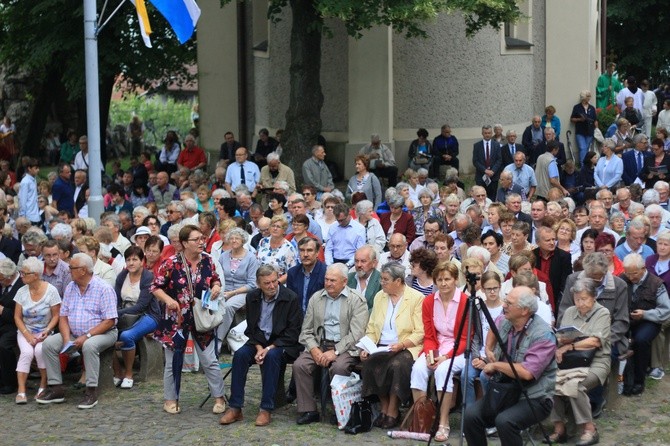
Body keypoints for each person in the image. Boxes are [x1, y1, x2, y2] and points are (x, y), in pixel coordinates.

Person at [463, 286, 557, 446]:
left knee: (505, 421)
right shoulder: (507, 320)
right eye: (505, 300)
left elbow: (527, 372)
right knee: (471, 416)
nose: (504, 305)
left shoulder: (543, 336)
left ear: (524, 310)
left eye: (509, 302)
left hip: (536, 396)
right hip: (507, 391)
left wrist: (496, 365)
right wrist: (488, 348)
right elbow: (494, 326)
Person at [151, 225, 226, 415]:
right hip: (176, 318)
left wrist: (216, 287)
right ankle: (170, 399)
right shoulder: (170, 263)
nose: (201, 242)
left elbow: (215, 279)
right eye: (196, 239)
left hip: (201, 316)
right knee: (173, 361)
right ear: (184, 243)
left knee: (209, 359)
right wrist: (168, 300)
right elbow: (156, 287)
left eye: (202, 238)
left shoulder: (208, 261)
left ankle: (219, 397)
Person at [219, 265, 302, 427]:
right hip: (258, 342)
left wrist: (269, 348)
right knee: (240, 355)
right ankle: (235, 407)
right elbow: (251, 328)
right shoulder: (252, 297)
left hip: (281, 343)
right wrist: (258, 348)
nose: (272, 286)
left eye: (274, 281)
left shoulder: (290, 297)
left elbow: (293, 332)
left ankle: (266, 408)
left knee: (271, 357)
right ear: (258, 284)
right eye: (267, 283)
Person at [37, 253, 118, 409]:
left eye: (71, 267)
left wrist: (86, 336)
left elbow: (109, 321)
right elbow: (63, 316)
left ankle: (91, 390)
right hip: (74, 333)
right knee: (48, 344)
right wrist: (67, 339)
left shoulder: (103, 289)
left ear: (82, 270)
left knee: (89, 346)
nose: (68, 270)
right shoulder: (70, 288)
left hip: (103, 333)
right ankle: (56, 387)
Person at [293, 263, 369, 425]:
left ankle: (340, 409)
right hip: (320, 343)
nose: (328, 283)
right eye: (326, 280)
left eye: (333, 280)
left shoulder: (356, 301)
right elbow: (306, 330)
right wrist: (314, 349)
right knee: (300, 365)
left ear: (344, 281)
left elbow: (357, 334)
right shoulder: (317, 298)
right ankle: (309, 410)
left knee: (339, 367)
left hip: (345, 347)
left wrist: (335, 351)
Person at [404, 261, 468, 443]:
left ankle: (443, 422)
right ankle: (423, 419)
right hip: (436, 345)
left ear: (456, 280)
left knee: (442, 371)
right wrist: (432, 355)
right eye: (439, 279)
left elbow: (464, 338)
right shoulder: (429, 301)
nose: (443, 283)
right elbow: (429, 334)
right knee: (418, 369)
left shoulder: (465, 301)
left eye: (447, 279)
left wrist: (445, 357)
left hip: (457, 350)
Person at [360, 262, 424, 429]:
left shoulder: (416, 298)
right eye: (381, 279)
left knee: (398, 366)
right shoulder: (380, 296)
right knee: (369, 363)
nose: (382, 283)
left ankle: (393, 409)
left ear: (398, 281)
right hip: (381, 345)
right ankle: (384, 405)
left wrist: (402, 344)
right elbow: (372, 326)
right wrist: (367, 345)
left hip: (406, 345)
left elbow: (420, 332)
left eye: (386, 279)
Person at [549, 278, 610, 445]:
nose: (580, 303)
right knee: (551, 383)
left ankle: (589, 429)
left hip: (596, 362)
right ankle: (559, 427)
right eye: (577, 299)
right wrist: (563, 341)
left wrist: (571, 346)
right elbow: (561, 337)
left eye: (584, 299)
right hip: (571, 362)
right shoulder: (570, 312)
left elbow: (595, 342)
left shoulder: (602, 313)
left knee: (576, 385)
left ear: (593, 297)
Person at [620, 253, 670, 396]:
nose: (631, 277)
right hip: (627, 319)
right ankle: (622, 379)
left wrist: (645, 314)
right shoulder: (622, 279)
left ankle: (638, 381)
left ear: (643, 268)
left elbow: (666, 310)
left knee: (641, 340)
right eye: (628, 273)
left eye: (634, 273)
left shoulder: (656, 283)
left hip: (649, 321)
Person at [12, 257, 61, 404]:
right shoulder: (21, 291)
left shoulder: (51, 291)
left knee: (40, 351)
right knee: (26, 353)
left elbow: (56, 315)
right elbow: (17, 317)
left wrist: (47, 330)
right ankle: (21, 391)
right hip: (25, 330)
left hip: (45, 331)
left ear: (36, 275)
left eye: (25, 273)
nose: (22, 276)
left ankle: (43, 385)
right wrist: (27, 335)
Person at [112, 246, 158, 390]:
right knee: (106, 334)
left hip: (148, 315)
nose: (131, 263)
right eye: (128, 260)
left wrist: (118, 314)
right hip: (125, 315)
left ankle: (129, 374)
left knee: (127, 336)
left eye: (135, 259)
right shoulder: (122, 276)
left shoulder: (148, 277)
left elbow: (142, 305)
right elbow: (117, 299)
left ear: (142, 261)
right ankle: (117, 372)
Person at [218, 228, 260, 343]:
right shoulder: (223, 256)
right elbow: (218, 276)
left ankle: (218, 340)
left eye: (237, 238)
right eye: (231, 238)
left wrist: (232, 293)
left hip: (243, 292)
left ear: (243, 240)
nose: (234, 240)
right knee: (211, 304)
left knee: (228, 307)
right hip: (224, 290)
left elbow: (252, 284)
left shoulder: (251, 258)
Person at [534, 226, 573, 313]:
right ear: (538, 242)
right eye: (548, 240)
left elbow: (565, 283)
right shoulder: (532, 256)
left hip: (556, 299)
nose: (552, 243)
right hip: (536, 297)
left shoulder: (564, 257)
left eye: (553, 239)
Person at [286, 237, 327, 314]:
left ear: (317, 253)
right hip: (297, 320)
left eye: (309, 250)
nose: (305, 254)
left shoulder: (326, 272)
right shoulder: (292, 273)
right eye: (302, 250)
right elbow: (290, 301)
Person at [256, 215, 298, 284]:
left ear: (284, 231)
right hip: (261, 283)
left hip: (279, 284)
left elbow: (291, 272)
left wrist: (275, 283)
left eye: (278, 227)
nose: (275, 228)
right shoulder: (263, 242)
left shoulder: (288, 248)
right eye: (273, 226)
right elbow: (257, 262)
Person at [324, 203, 365, 267]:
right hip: (334, 261)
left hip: (352, 262)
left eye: (342, 220)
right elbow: (328, 248)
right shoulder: (333, 227)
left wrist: (348, 264)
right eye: (338, 220)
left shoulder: (359, 229)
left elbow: (359, 251)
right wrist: (329, 264)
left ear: (349, 214)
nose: (340, 223)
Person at [347, 245, 382, 310]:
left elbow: (380, 308)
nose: (359, 265)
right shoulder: (348, 278)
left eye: (363, 261)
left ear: (374, 263)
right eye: (356, 261)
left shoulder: (381, 280)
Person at [473, 125, 502, 200]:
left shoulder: (496, 145)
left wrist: (493, 171)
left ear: (492, 133)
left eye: (489, 133)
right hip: (481, 175)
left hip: (493, 176)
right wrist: (485, 170)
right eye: (485, 133)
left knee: (492, 197)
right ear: (482, 133)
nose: (487, 135)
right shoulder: (477, 146)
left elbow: (499, 160)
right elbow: (475, 161)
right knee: (480, 196)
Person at [18, 158, 40, 226]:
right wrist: (23, 217)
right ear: (29, 168)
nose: (38, 170)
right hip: (28, 216)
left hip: (35, 214)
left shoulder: (34, 179)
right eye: (36, 168)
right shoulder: (25, 182)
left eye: (38, 168)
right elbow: (22, 200)